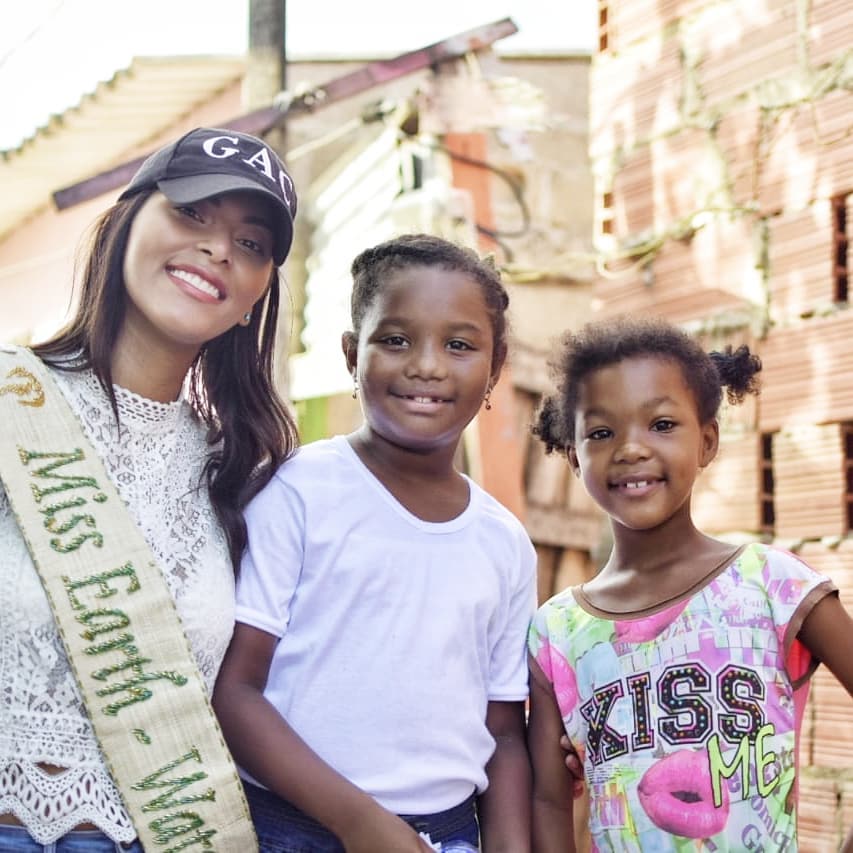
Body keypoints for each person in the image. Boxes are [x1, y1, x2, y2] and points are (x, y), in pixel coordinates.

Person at [0, 126, 299, 851]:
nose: (218, 249)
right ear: (126, 220)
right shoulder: (12, 405)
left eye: (251, 242)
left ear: (256, 295)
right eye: (191, 213)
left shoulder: (243, 471)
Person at [212, 233, 536, 853]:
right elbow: (236, 689)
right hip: (289, 827)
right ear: (351, 354)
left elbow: (505, 733)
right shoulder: (298, 490)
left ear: (495, 369)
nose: (427, 365)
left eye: (460, 345)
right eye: (396, 340)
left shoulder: (504, 543)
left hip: (449, 834)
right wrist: (361, 823)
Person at [526, 316, 853, 852]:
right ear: (572, 455)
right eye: (602, 432)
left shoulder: (771, 583)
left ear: (706, 442)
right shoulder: (557, 632)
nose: (631, 449)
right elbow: (547, 799)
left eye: (661, 425)